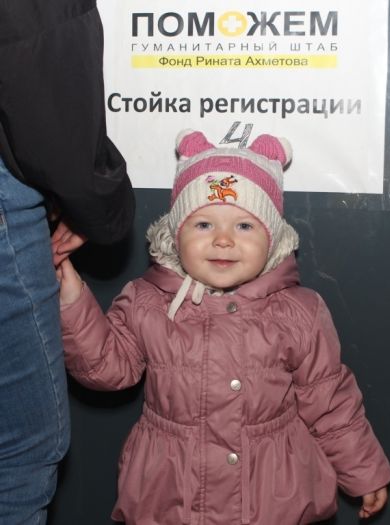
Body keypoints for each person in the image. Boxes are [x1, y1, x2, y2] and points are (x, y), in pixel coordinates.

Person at [57, 130, 390, 524]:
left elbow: (330, 402)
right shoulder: (147, 301)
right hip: (171, 494)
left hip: (271, 497)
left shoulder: (298, 311)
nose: (222, 240)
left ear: (272, 238)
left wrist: (363, 471)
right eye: (203, 224)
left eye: (244, 226)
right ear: (176, 234)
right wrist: (72, 303)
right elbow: (106, 369)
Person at [0, 1, 135, 523]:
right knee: (16, 457)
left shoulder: (301, 315)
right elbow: (36, 49)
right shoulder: (153, 301)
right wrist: (96, 202)